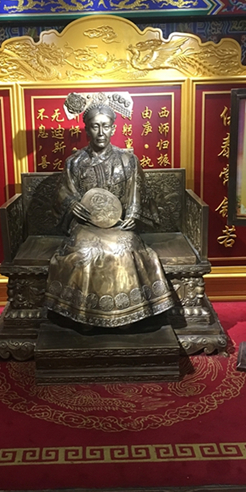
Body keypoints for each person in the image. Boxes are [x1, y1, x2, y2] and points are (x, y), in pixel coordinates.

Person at [44, 92, 175, 328]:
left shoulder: (127, 160)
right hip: (85, 225)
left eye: (105, 126)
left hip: (118, 224)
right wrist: (72, 204)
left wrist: (133, 214)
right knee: (85, 253)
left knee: (123, 249)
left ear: (114, 129)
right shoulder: (75, 162)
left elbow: (136, 191)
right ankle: (83, 314)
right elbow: (64, 192)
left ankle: (130, 314)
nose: (101, 132)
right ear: (87, 130)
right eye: (95, 126)